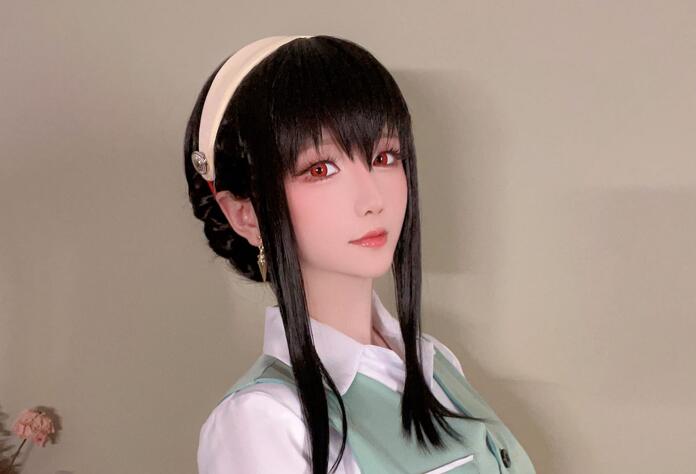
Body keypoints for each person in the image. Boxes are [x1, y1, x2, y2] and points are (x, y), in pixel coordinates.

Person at [184, 35, 536, 474]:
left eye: (384, 157)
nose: (372, 199)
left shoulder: (435, 362)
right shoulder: (262, 420)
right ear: (245, 214)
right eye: (320, 169)